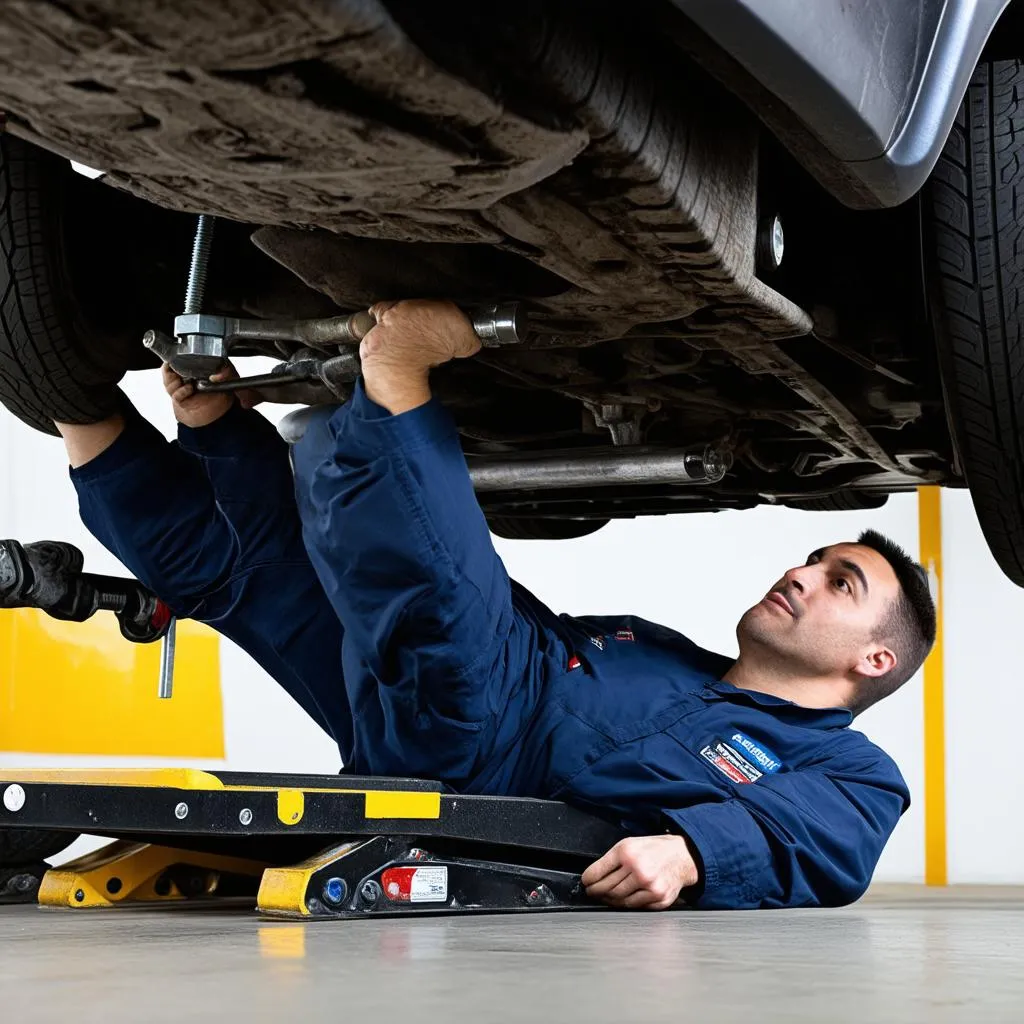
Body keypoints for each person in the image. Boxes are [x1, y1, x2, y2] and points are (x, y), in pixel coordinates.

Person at [54, 300, 936, 911]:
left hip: (479, 747)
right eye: (817, 557)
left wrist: (697, 852)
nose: (804, 573)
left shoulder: (851, 771)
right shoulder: (672, 655)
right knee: (253, 579)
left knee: (431, 605)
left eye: (840, 584)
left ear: (875, 660)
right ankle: (72, 392)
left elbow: (836, 851)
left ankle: (396, 372)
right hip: (423, 710)